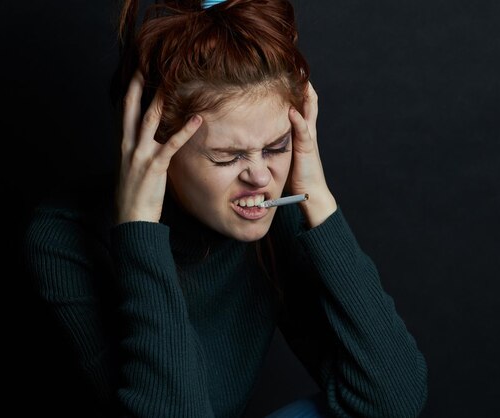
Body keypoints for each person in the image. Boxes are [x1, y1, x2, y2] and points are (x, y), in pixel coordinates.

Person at [22, 0, 428, 416]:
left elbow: (391, 400)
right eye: (227, 157)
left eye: (276, 146)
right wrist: (139, 233)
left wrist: (317, 197)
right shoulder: (63, 239)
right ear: (158, 148)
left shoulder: (273, 212)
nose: (259, 177)